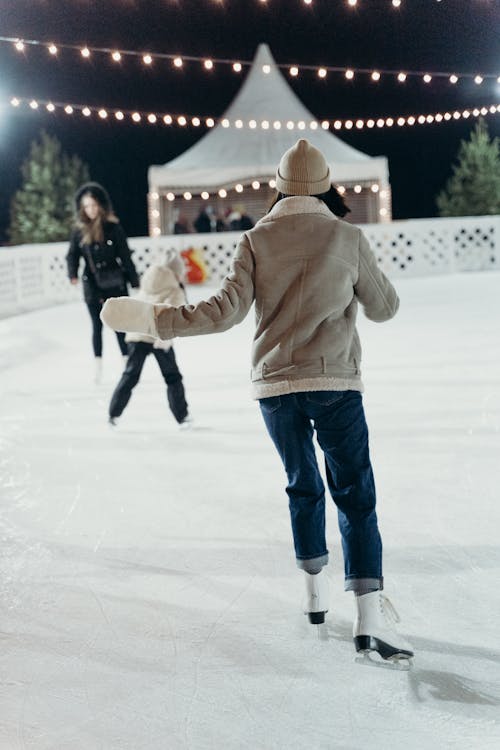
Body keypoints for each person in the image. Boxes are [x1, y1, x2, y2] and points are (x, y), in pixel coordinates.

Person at [101, 139, 413, 662]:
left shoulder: (255, 240)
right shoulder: (347, 235)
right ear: (326, 185)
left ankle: (314, 598)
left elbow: (221, 312)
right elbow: (384, 309)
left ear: (280, 187)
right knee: (355, 495)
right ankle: (369, 619)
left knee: (302, 487)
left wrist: (154, 318)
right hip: (334, 384)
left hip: (276, 390)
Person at [66, 182, 139, 383]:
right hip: (91, 284)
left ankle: (127, 364)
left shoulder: (113, 228)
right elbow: (72, 255)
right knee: (96, 326)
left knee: (118, 324)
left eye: (94, 205)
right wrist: (72, 273)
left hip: (114, 283)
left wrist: (134, 280)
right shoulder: (79, 231)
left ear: (101, 205)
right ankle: (98, 366)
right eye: (87, 206)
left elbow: (125, 256)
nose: (91, 210)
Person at [108, 252, 191, 428]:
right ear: (177, 272)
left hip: (137, 334)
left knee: (130, 375)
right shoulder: (175, 289)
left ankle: (113, 413)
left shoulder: (147, 283)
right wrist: (167, 336)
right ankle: (182, 416)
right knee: (172, 377)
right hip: (159, 336)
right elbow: (174, 313)